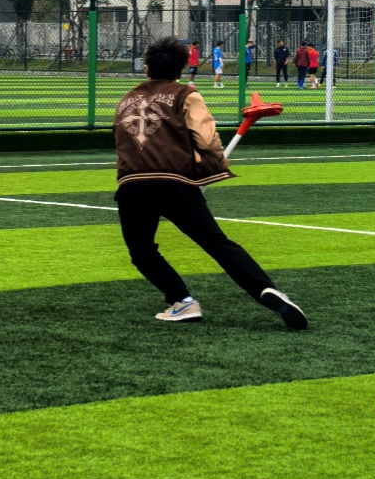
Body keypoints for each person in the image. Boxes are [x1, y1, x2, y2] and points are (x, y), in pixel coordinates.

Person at [112, 36, 307, 328]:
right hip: (176, 183)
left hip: (132, 184)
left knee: (142, 251)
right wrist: (217, 159)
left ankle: (182, 301)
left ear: (147, 68)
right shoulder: (186, 94)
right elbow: (205, 139)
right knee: (217, 244)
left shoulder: (125, 100)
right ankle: (265, 290)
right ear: (181, 69)